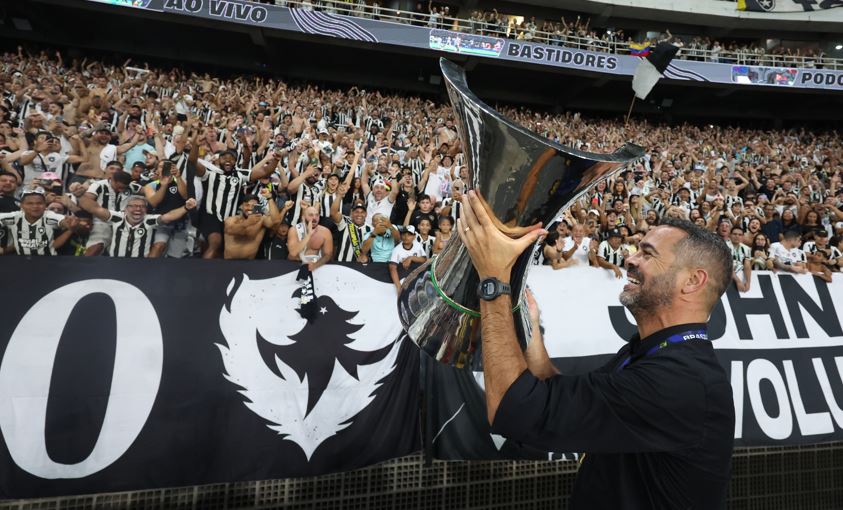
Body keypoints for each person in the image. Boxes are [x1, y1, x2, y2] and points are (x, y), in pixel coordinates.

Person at [456, 190, 734, 509]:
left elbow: (512, 407)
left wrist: (494, 281)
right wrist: (531, 328)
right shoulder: (652, 355)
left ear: (692, 281)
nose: (629, 259)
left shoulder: (679, 382)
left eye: (648, 253)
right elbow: (550, 392)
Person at [80, 194, 197, 258]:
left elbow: (169, 216)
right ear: (126, 209)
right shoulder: (117, 217)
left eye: (142, 207)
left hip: (140, 266)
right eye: (134, 206)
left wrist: (185, 208)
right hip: (115, 264)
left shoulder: (148, 220)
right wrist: (80, 195)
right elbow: (94, 208)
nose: (138, 209)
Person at [0, 187, 77, 256]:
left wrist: (68, 224)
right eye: (30, 203)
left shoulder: (49, 216)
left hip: (48, 260)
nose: (35, 206)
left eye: (39, 203)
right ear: (22, 205)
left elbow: (61, 220)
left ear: (45, 205)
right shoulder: (14, 217)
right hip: (22, 261)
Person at [223, 190, 289, 260]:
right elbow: (230, 230)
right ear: (241, 206)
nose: (250, 208)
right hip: (229, 263)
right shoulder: (231, 220)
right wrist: (247, 222)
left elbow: (276, 220)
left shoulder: (261, 220)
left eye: (254, 206)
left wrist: (269, 198)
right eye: (247, 205)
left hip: (250, 265)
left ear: (258, 207)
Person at [388, 225, 427, 293]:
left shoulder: (417, 245)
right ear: (401, 236)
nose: (406, 237)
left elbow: (424, 259)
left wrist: (411, 258)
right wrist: (399, 287)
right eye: (404, 234)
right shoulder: (397, 249)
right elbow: (392, 268)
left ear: (414, 236)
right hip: (403, 275)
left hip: (417, 274)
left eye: (409, 235)